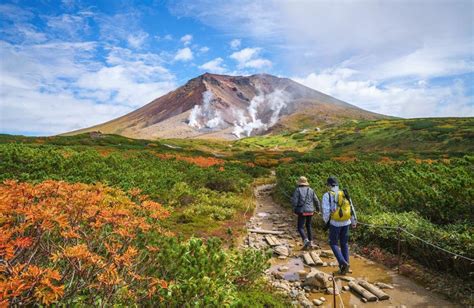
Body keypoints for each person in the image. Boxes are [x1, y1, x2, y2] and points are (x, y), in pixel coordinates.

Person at [321, 176, 357, 275]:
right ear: (337, 184)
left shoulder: (327, 195)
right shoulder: (345, 193)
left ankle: (342, 262)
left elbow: (326, 211)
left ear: (329, 185)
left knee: (333, 243)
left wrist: (327, 222)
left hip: (335, 223)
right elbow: (351, 209)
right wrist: (353, 222)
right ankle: (346, 266)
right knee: (344, 243)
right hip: (346, 223)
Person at [291, 176, 320, 249]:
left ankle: (305, 240)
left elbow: (294, 201)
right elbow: (316, 200)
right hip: (310, 211)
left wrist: (294, 209)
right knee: (308, 225)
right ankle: (311, 242)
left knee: (300, 227)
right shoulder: (311, 190)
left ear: (299, 183)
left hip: (302, 211)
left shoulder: (297, 190)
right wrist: (318, 209)